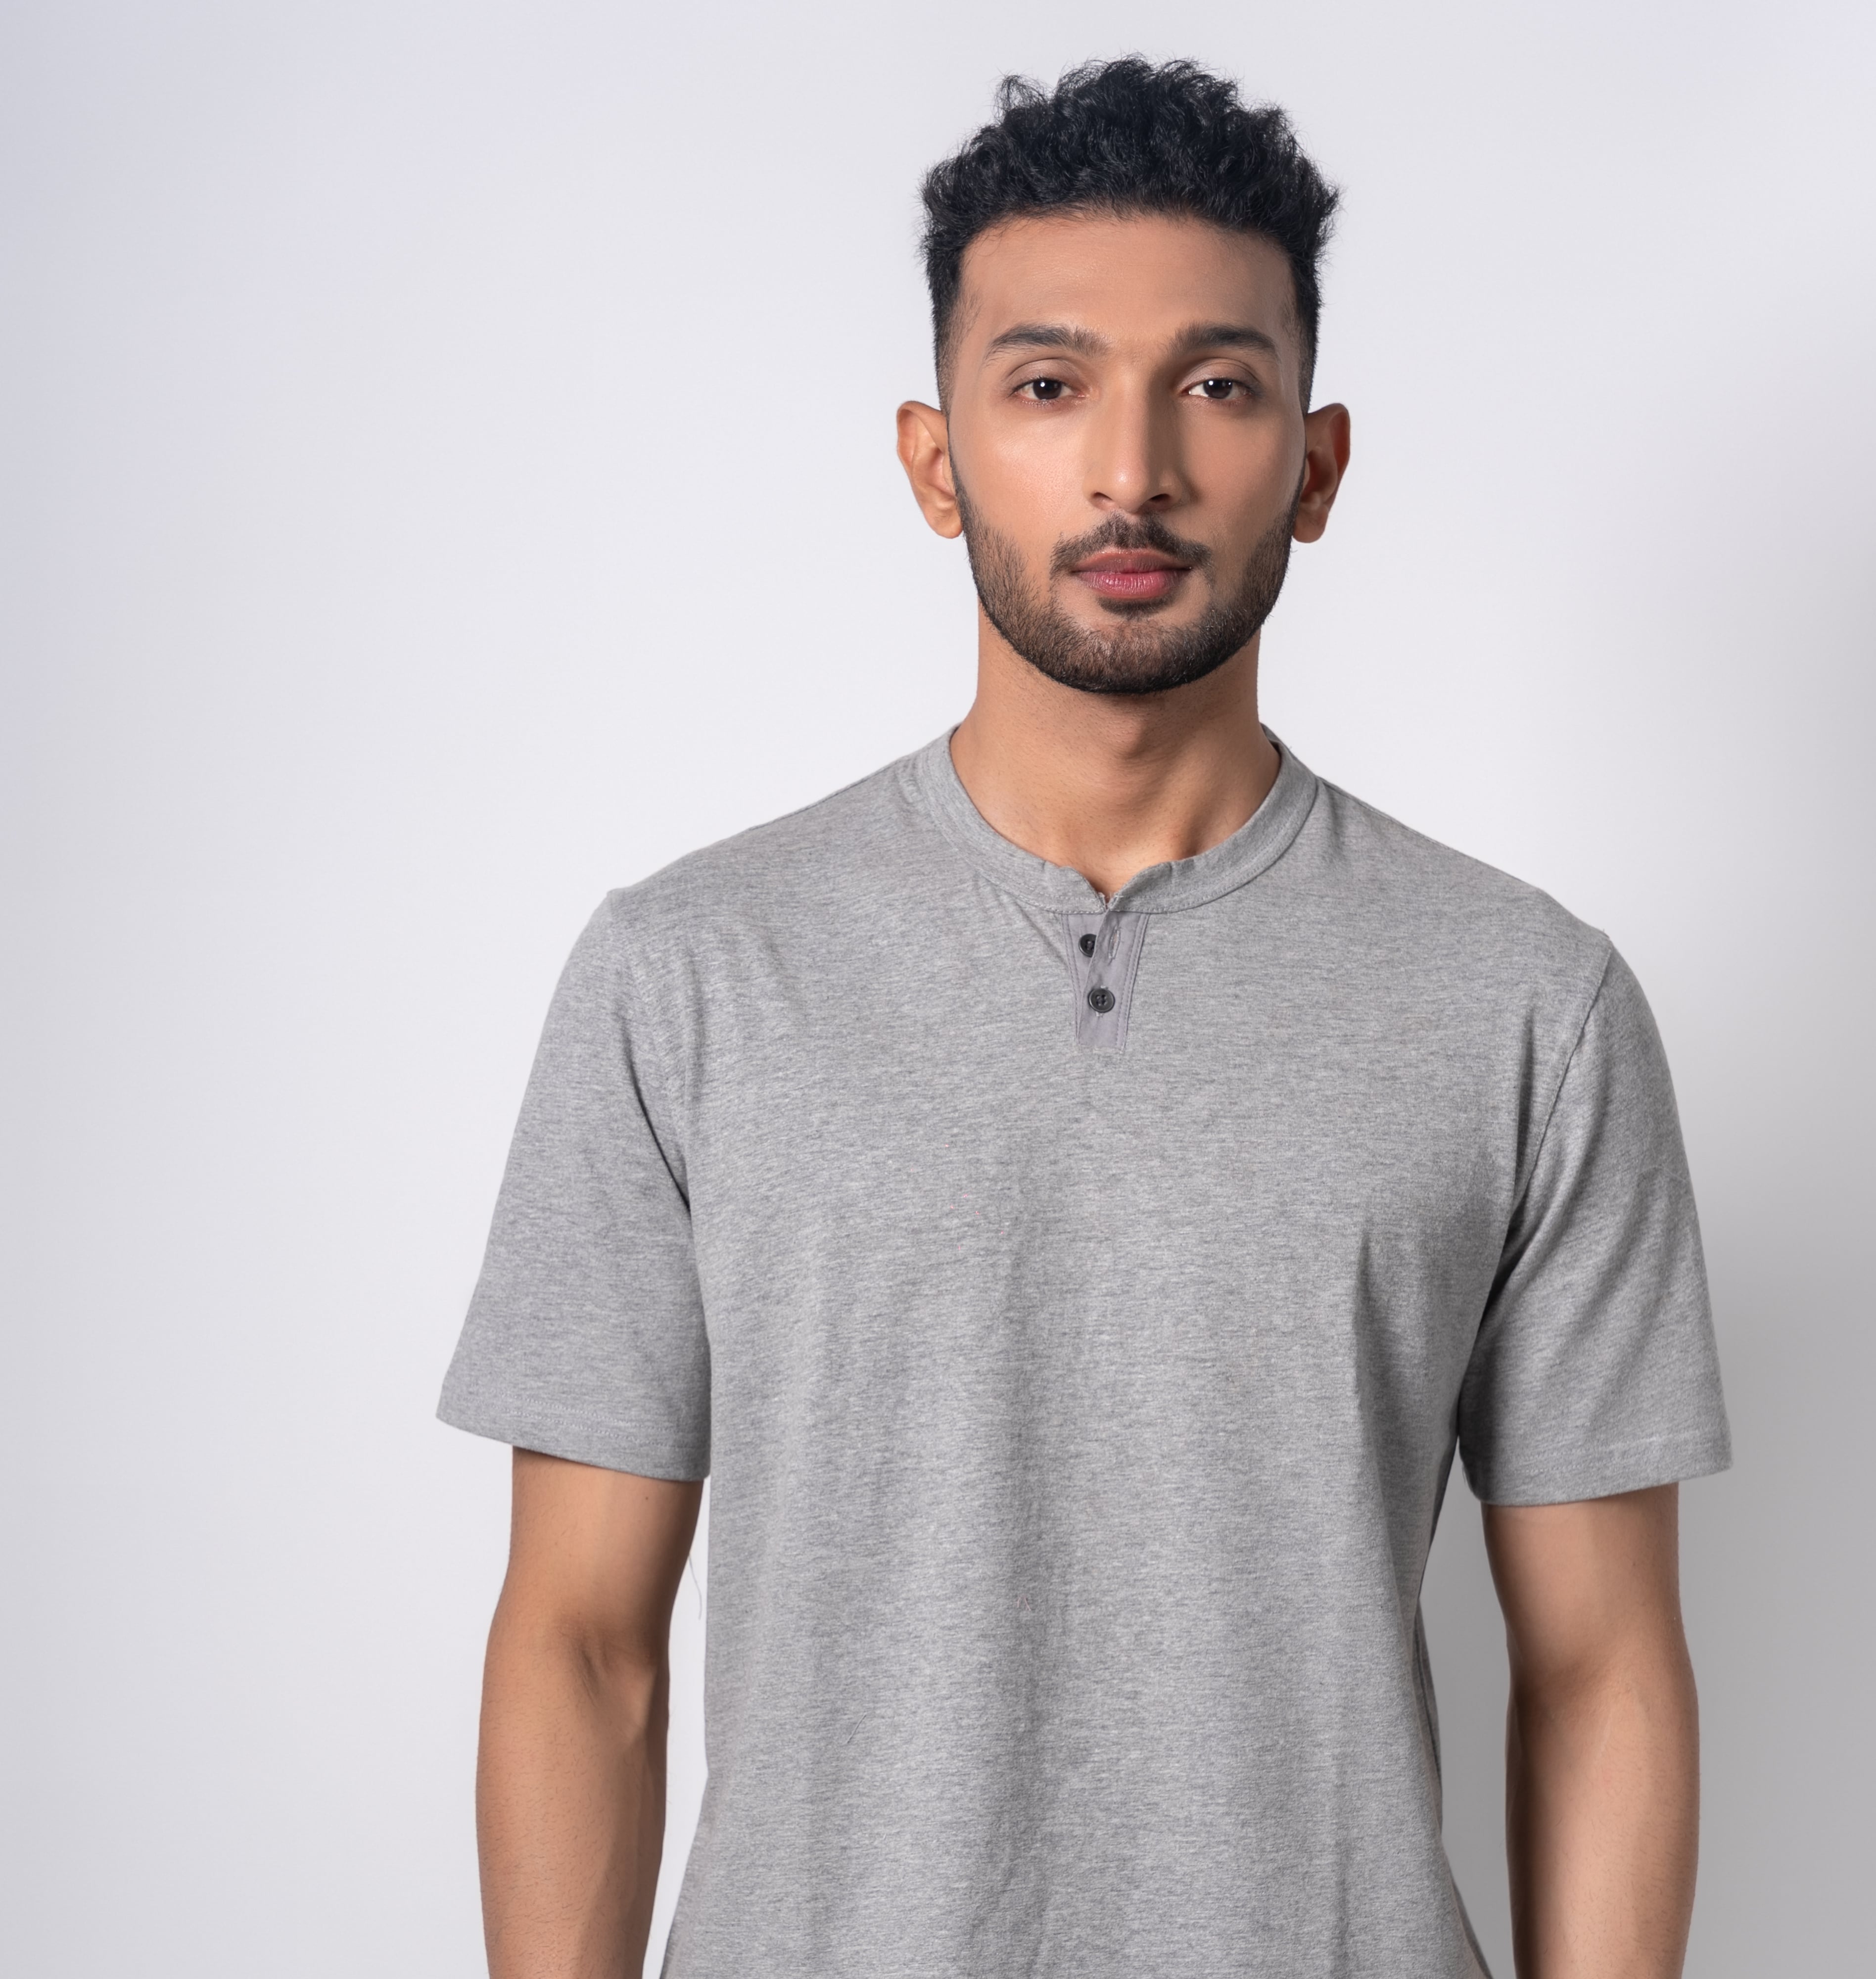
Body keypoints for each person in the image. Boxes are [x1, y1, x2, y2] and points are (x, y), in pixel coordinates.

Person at [439, 56, 1731, 1979]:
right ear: (936, 453)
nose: (1131, 467)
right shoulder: (692, 972)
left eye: (1214, 384)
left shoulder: (1528, 1002)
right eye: (1047, 386)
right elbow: (581, 1647)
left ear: (1313, 458)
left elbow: (1604, 1660)